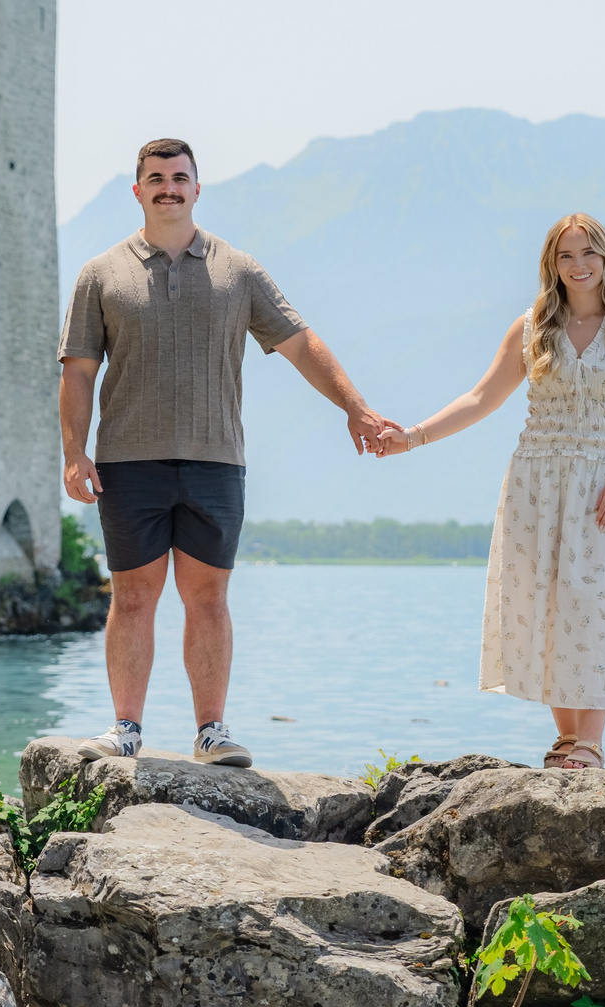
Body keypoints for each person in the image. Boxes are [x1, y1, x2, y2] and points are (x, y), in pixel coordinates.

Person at [59, 138, 397, 766]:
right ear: (137, 191)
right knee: (132, 596)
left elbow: (300, 343)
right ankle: (125, 728)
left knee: (207, 598)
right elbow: (78, 370)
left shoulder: (238, 271)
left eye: (179, 177)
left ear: (196, 187)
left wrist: (354, 407)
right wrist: (75, 453)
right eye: (156, 178)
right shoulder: (100, 274)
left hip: (217, 463)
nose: (168, 187)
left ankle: (211, 732)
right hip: (128, 462)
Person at [375, 213, 605, 768]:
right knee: (546, 603)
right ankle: (564, 738)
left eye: (589, 254)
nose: (578, 266)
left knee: (597, 603)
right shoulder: (532, 328)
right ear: (550, 266)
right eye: (566, 256)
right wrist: (411, 438)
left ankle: (591, 742)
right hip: (535, 480)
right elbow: (481, 398)